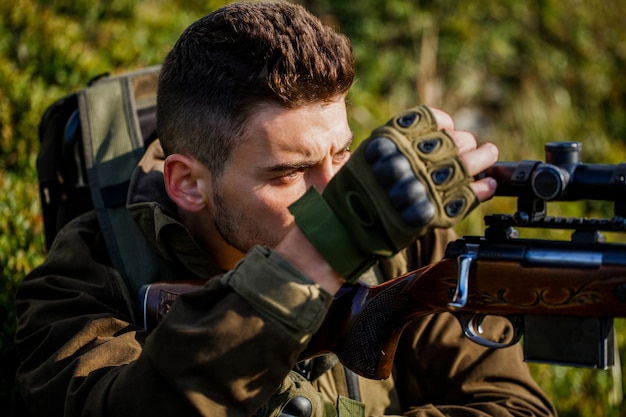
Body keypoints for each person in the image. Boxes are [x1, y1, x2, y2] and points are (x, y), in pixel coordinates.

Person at [14, 2, 557, 416]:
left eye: (342, 152)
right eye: (288, 172)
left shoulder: (411, 245)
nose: (335, 193)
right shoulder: (85, 278)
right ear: (187, 184)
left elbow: (517, 406)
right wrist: (318, 254)